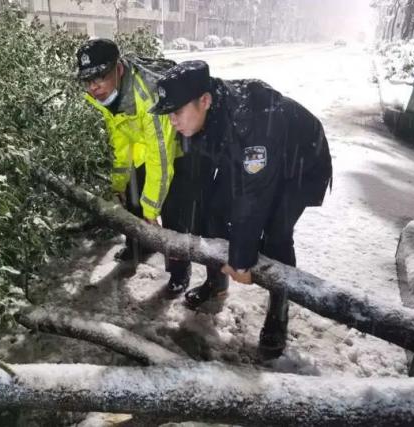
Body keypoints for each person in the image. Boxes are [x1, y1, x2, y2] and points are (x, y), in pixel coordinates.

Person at [152, 61, 332, 359]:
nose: (172, 121)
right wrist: (175, 225)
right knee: (213, 209)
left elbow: (254, 195)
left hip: (299, 163)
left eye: (176, 112)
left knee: (276, 233)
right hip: (250, 155)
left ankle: (279, 310)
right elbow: (192, 181)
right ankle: (215, 283)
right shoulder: (203, 116)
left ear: (205, 101)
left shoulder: (253, 121)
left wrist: (241, 260)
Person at [76, 39, 184, 280]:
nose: (94, 86)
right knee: (132, 198)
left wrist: (152, 208)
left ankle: (179, 273)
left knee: (174, 213)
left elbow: (161, 156)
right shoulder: (106, 96)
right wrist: (118, 184)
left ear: (119, 68)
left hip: (178, 147)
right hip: (145, 144)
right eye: (88, 80)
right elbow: (121, 140)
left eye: (100, 76)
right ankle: (140, 246)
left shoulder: (148, 94)